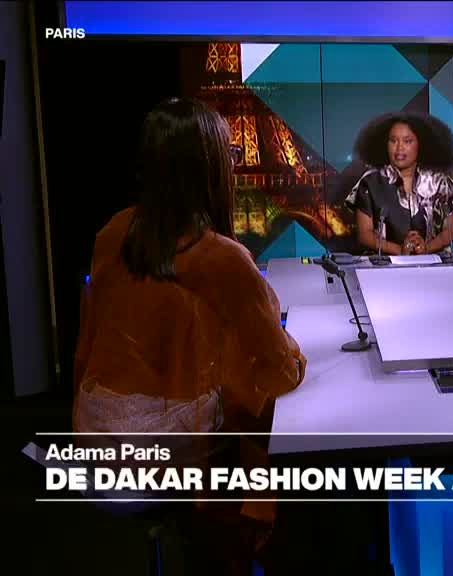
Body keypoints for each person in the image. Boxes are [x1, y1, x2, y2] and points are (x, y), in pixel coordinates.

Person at [72, 97, 306, 574]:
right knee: (256, 398)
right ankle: (246, 537)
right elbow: (280, 371)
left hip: (94, 431)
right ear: (210, 169)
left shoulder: (113, 231)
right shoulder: (222, 256)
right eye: (229, 155)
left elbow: (89, 343)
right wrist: (293, 350)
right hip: (155, 451)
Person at [346, 112, 453, 256]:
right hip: (384, 266)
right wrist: (400, 251)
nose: (399, 148)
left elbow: (451, 230)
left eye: (407, 141)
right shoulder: (370, 182)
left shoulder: (440, 182)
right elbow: (364, 235)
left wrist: (426, 248)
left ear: (420, 144)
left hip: (432, 265)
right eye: (393, 141)